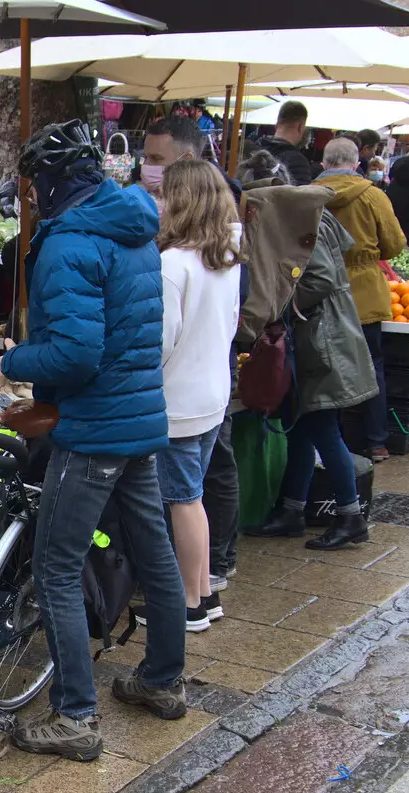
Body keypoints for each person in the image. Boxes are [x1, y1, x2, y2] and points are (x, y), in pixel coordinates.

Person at [0, 119, 187, 763]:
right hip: (140, 418)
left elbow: (75, 354)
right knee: (153, 549)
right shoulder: (131, 227)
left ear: (50, 185)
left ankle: (75, 715)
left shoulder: (67, 244)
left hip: (95, 431)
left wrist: (16, 362)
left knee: (55, 565)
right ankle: (163, 679)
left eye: (31, 188)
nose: (29, 200)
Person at [146, 159, 243, 632]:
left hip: (179, 402)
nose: (159, 203)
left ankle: (189, 604)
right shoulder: (225, 255)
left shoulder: (172, 264)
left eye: (165, 194)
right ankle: (204, 592)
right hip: (213, 394)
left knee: (183, 500)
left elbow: (160, 343)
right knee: (194, 497)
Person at [245, 210, 379, 551]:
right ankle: (293, 511)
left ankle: (350, 517)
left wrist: (277, 306)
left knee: (322, 428)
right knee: (302, 427)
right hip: (315, 342)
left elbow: (321, 279)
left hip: (322, 345)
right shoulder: (310, 219)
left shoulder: (308, 223)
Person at [316, 137, 406, 463]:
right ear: (357, 164)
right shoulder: (372, 195)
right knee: (372, 367)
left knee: (326, 369)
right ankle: (377, 442)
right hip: (365, 295)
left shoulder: (308, 195)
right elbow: (395, 244)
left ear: (324, 163)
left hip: (320, 294)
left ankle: (332, 442)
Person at [137, 115, 201, 197]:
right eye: (145, 157)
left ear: (187, 160)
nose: (146, 165)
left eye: (156, 158)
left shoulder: (208, 207)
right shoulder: (141, 200)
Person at [255, 101, 315, 186]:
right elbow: (303, 198)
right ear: (300, 127)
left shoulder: (254, 150)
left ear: (277, 124)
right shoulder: (298, 162)